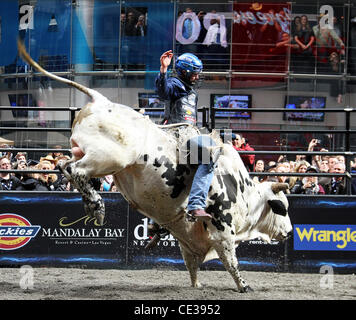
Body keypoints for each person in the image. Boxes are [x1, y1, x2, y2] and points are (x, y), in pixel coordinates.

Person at [155, 50, 214, 222]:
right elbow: (163, 92)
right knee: (209, 157)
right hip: (177, 134)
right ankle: (196, 204)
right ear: (184, 72)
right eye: (194, 74)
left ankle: (157, 222)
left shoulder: (192, 92)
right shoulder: (174, 84)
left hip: (190, 134)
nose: (197, 77)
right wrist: (163, 71)